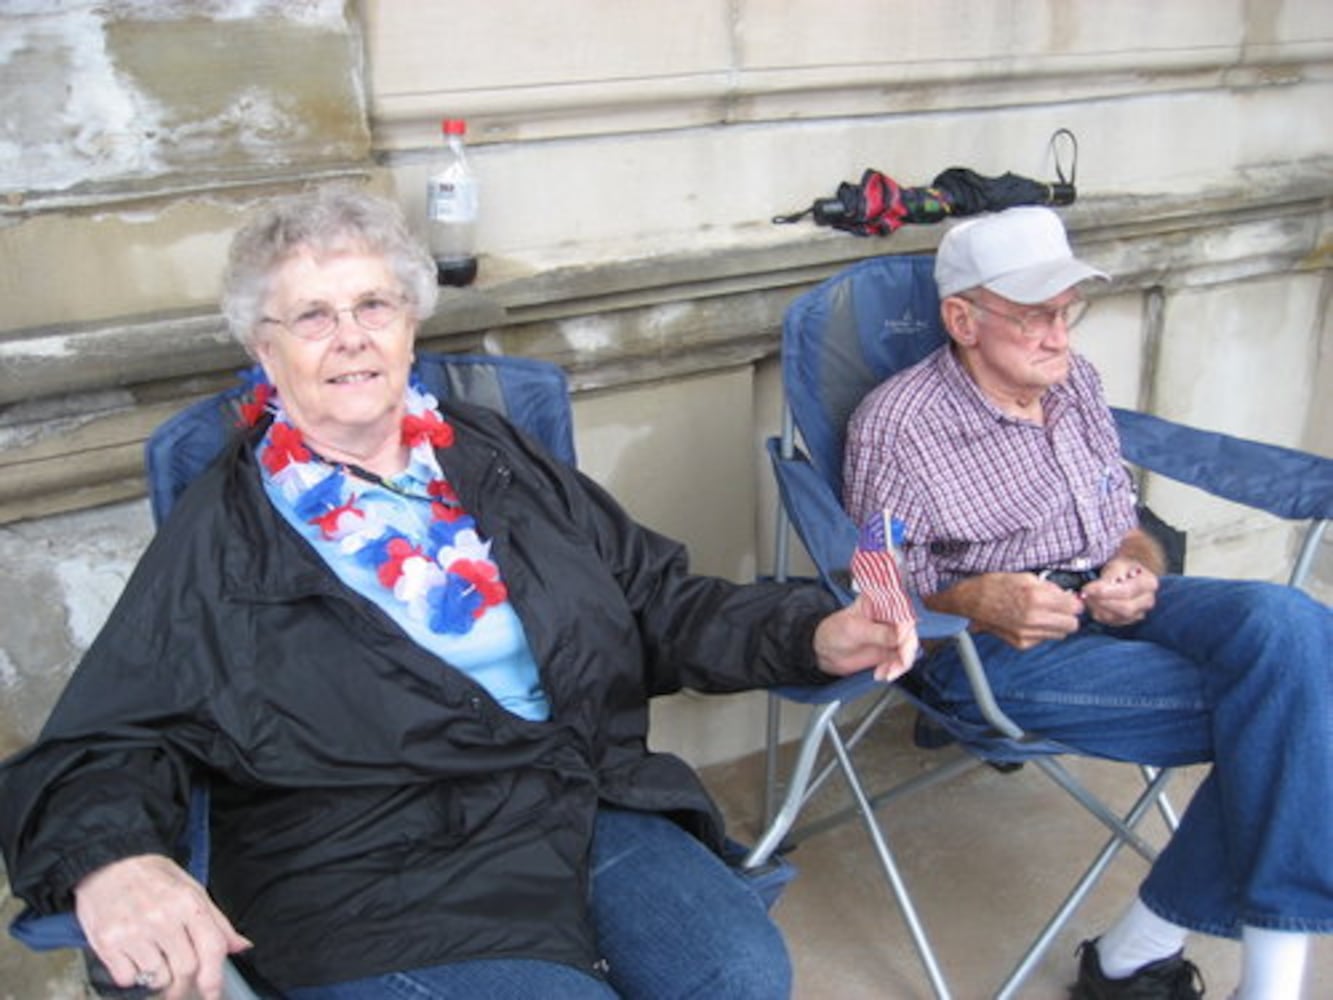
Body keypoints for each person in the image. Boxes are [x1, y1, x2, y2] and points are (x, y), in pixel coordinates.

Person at [0, 186, 917, 1000]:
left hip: (569, 792)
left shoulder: (490, 454)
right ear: (262, 349)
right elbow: (116, 729)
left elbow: (654, 600)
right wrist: (113, 862)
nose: (352, 336)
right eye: (312, 317)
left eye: (373, 304)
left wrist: (813, 632)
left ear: (410, 323)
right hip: (368, 861)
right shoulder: (228, 530)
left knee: (736, 974)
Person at [844, 206, 1332, 1000]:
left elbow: (1122, 526)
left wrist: (1133, 566)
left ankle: (1149, 959)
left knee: (1292, 629)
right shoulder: (896, 426)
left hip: (1115, 604)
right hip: (990, 649)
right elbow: (877, 583)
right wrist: (973, 596)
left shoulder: (1075, 384)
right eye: (1033, 315)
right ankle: (1205, 968)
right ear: (962, 319)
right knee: (1301, 709)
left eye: (1066, 311)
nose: (1058, 336)